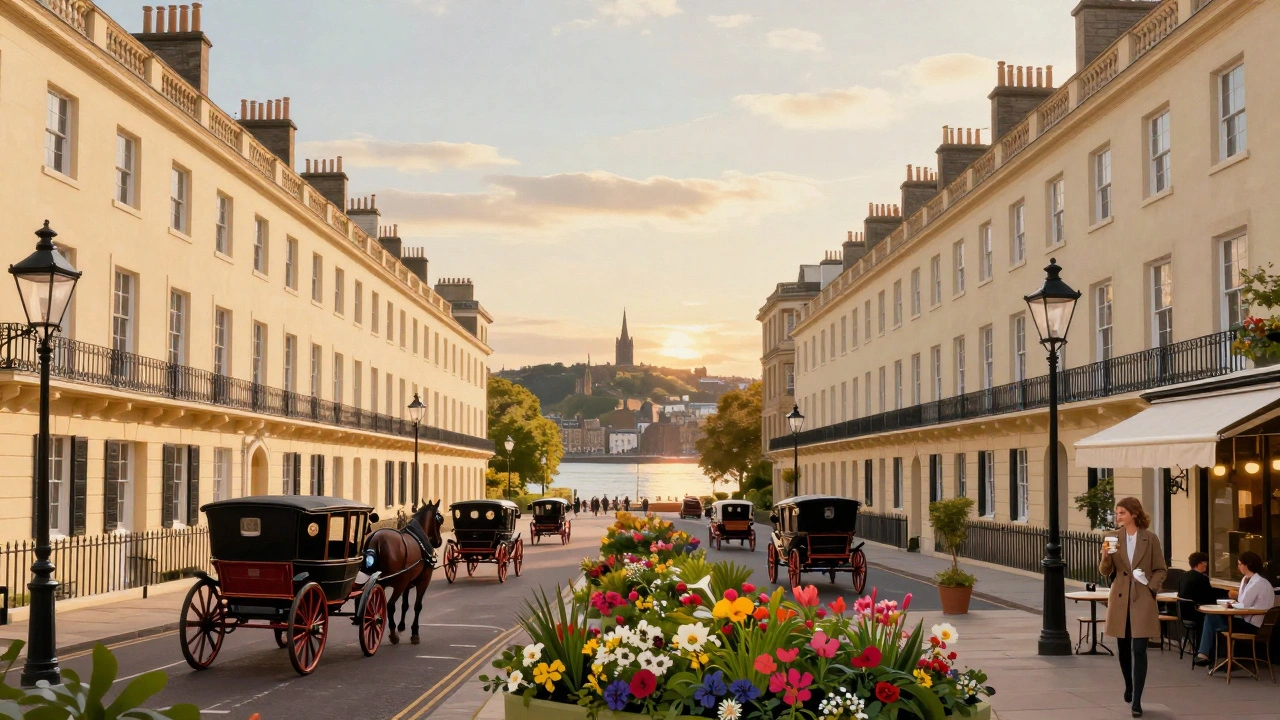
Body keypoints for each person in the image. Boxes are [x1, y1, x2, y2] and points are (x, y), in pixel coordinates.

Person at [1098, 497, 1166, 719]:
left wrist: (1150, 586)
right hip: (1120, 600)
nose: (1118, 517)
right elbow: (1105, 571)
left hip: (1142, 599)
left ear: (1134, 514)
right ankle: (1129, 684)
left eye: (1122, 513)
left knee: (1139, 649)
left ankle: (1137, 700)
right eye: (1117, 513)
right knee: (1124, 649)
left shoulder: (1150, 538)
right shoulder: (1112, 538)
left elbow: (1161, 569)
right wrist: (1106, 557)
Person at [1194, 551, 1276, 667]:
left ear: (1247, 565)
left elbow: (1244, 603)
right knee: (1212, 619)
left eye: (1239, 564)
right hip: (1250, 621)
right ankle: (1207, 656)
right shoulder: (1248, 580)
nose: (1238, 568)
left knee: (1211, 619)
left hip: (1253, 626)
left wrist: (1232, 604)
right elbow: (1243, 602)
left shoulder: (1259, 583)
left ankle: (1205, 655)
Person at [1178, 551, 1227, 632]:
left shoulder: (1184, 576)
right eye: (1204, 562)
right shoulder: (1201, 578)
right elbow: (1209, 597)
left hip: (1184, 616)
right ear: (1199, 564)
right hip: (1199, 615)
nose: (1206, 564)